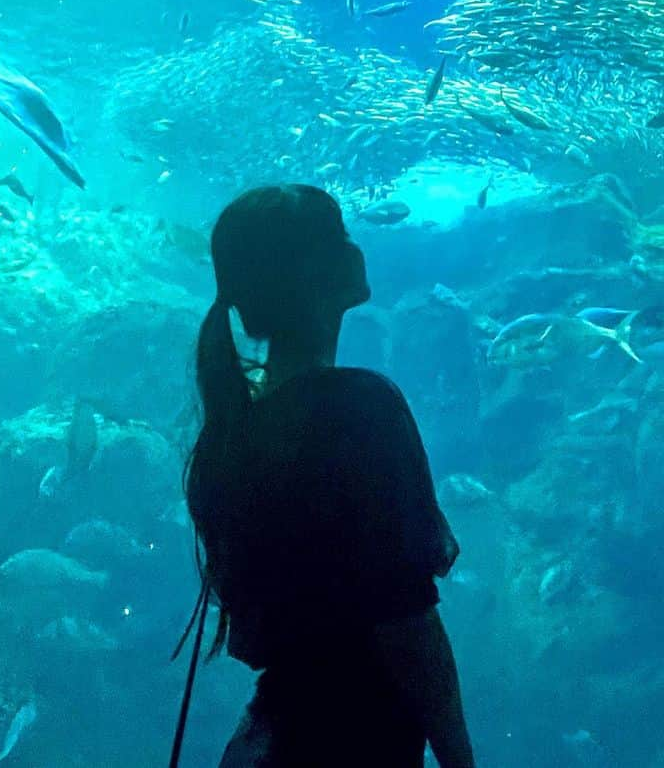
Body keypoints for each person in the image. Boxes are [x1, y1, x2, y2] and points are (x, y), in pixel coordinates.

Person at [184, 184, 475, 768]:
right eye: (342, 233)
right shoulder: (359, 407)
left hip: (271, 739)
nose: (357, 245)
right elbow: (406, 621)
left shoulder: (232, 433)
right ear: (311, 269)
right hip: (353, 741)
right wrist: (460, 762)